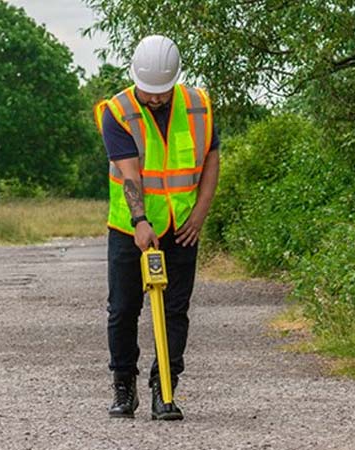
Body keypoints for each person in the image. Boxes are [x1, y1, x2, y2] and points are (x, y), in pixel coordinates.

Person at [93, 35, 220, 421]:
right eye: (149, 91)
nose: (155, 99)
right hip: (131, 228)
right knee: (124, 309)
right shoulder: (118, 110)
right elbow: (130, 173)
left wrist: (199, 214)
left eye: (162, 92)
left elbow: (211, 162)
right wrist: (140, 221)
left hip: (182, 226)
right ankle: (123, 385)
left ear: (174, 82)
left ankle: (164, 389)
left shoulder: (199, 106)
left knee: (175, 310)